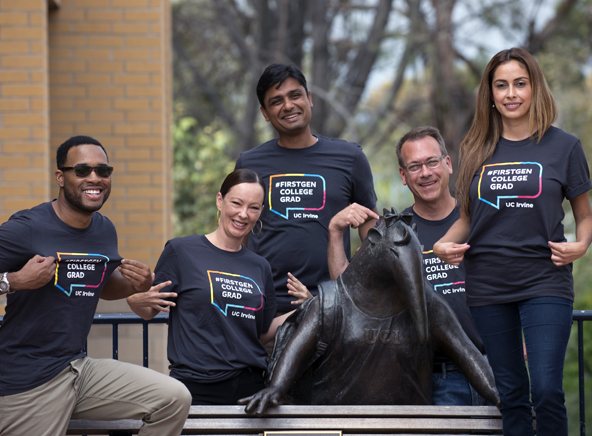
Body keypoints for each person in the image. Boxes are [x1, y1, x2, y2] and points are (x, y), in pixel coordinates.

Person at [0, 136, 191, 436]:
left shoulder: (104, 229)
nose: (95, 178)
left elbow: (102, 286)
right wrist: (14, 281)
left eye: (103, 171)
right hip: (25, 383)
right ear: (60, 178)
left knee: (173, 398)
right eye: (82, 170)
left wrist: (135, 284)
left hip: (77, 369)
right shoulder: (27, 226)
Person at [433, 48, 592, 435]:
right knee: (511, 393)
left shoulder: (564, 147)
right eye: (501, 85)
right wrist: (441, 245)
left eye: (520, 84)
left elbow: (584, 214)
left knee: (546, 389)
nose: (511, 94)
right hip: (488, 285)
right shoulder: (475, 149)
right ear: (489, 94)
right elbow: (468, 219)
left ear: (535, 88)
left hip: (545, 279)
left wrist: (582, 244)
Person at [328, 126, 488, 406]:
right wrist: (334, 231)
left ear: (448, 164)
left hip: (494, 366)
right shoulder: (393, 233)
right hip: (433, 379)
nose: (425, 173)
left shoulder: (481, 220)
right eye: (414, 166)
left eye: (432, 162)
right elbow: (348, 292)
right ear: (403, 176)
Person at [127, 169, 312, 405]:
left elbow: (261, 332)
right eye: (236, 203)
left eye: (254, 207)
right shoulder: (181, 251)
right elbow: (149, 310)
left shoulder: (260, 266)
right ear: (220, 201)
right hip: (196, 387)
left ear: (260, 211)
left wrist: (307, 308)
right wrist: (135, 299)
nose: (243, 214)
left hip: (250, 387)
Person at [234, 63, 378, 314]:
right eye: (276, 101)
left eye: (295, 95)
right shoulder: (249, 163)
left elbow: (372, 230)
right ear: (265, 113)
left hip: (334, 303)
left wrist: (362, 282)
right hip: (267, 304)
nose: (288, 105)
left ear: (309, 99)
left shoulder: (349, 157)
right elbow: (239, 235)